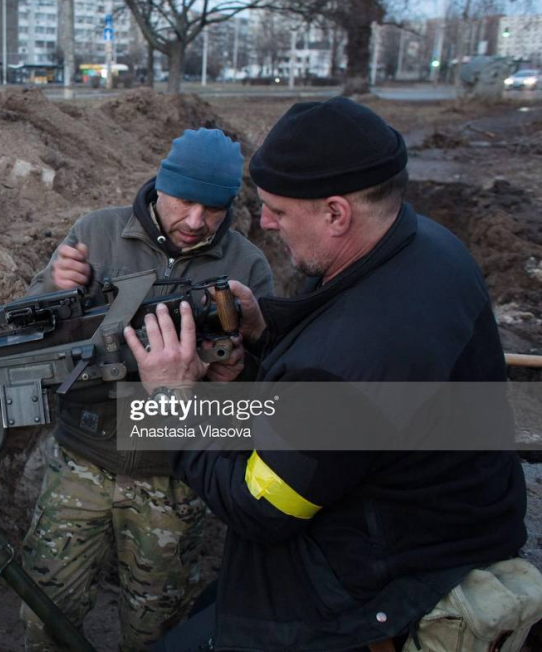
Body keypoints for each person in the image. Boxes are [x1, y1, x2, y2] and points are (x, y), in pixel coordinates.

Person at [124, 97, 534, 651]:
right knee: (209, 609)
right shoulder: (429, 249)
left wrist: (171, 402)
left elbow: (258, 506)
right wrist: (265, 328)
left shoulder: (361, 351)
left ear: (337, 213)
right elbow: (338, 366)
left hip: (377, 585)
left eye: (277, 210)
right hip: (439, 524)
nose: (264, 222)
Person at [21, 128, 274, 651]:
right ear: (161, 184)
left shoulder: (247, 267)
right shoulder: (98, 232)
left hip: (176, 479)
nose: (196, 222)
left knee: (157, 626)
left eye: (214, 208)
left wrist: (240, 367)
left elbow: (268, 386)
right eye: (185, 201)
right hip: (81, 463)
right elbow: (27, 334)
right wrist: (51, 290)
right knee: (46, 610)